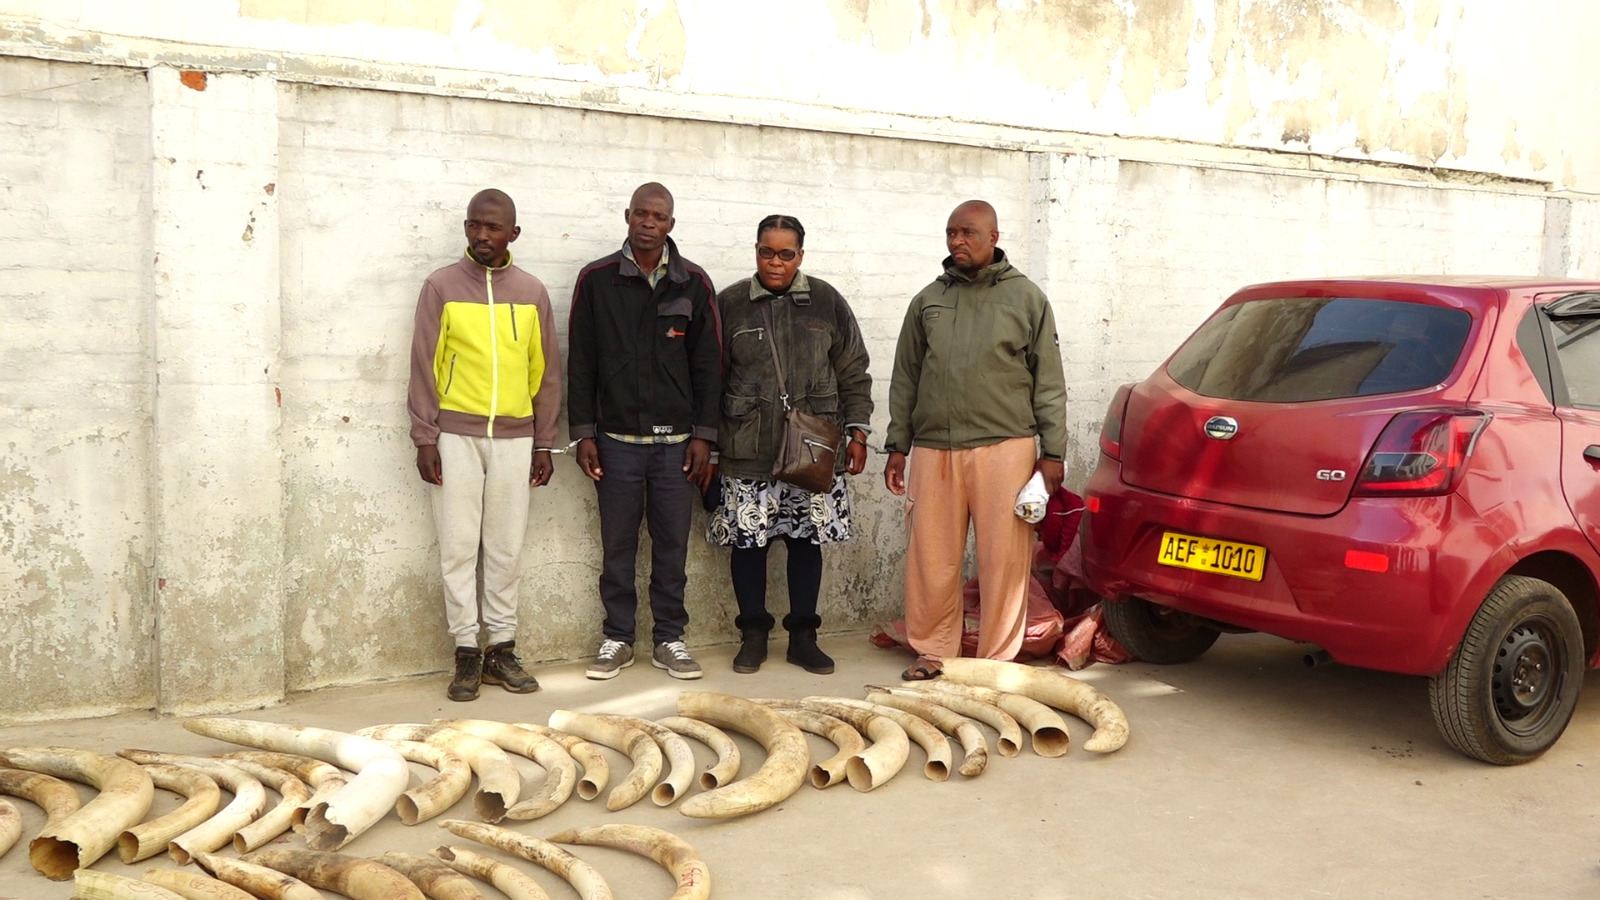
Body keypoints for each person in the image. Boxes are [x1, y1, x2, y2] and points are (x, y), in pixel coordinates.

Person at [884, 199, 1068, 681]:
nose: (957, 242)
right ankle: (933, 652)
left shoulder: (1026, 298)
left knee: (1004, 560)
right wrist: (898, 444)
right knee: (931, 559)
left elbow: (1048, 381)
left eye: (967, 233)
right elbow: (905, 376)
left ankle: (997, 661)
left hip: (1004, 447)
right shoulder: (928, 300)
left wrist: (1053, 454)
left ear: (994, 237)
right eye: (951, 233)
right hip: (934, 448)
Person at [407, 188, 561, 701]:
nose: (482, 236)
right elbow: (424, 365)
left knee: (505, 545)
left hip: (516, 439)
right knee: (456, 546)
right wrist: (426, 436)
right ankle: (466, 653)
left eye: (493, 228)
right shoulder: (442, 287)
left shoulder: (532, 291)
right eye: (474, 225)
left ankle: (501, 649)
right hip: (455, 436)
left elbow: (545, 373)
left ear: (513, 234)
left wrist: (543, 442)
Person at [567, 182, 720, 680]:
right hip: (616, 444)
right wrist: (584, 431)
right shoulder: (597, 280)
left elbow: (709, 365)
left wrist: (704, 436)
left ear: (671, 224)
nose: (648, 222)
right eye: (640, 213)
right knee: (617, 545)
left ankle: (669, 639)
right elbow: (581, 361)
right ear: (627, 216)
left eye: (659, 216)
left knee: (672, 545)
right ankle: (617, 637)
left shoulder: (693, 282)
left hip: (675, 444)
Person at [708, 215, 872, 675]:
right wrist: (711, 449)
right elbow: (710, 380)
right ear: (756, 250)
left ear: (801, 255)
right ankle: (753, 635)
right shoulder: (731, 304)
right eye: (766, 251)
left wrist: (857, 432)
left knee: (806, 542)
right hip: (746, 447)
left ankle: (804, 637)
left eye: (785, 254)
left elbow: (854, 370)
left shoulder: (826, 302)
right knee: (748, 543)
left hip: (813, 449)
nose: (775, 262)